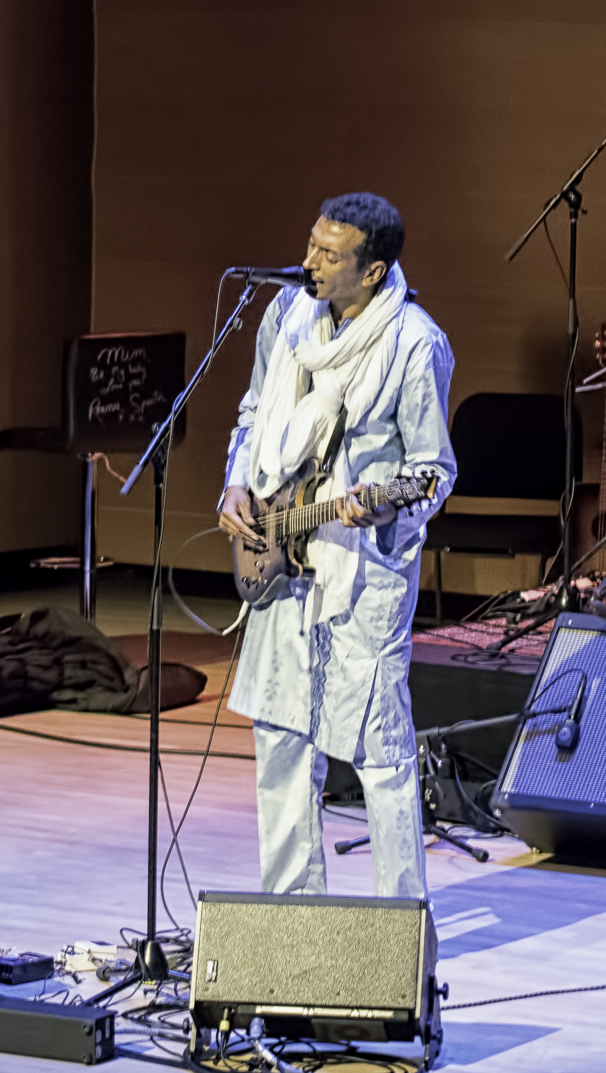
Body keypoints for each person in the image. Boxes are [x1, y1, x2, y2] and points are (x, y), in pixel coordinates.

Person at [217, 193, 457, 900]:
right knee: (281, 742)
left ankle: (399, 926)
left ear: (375, 270)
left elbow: (434, 472)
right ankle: (290, 918)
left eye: (330, 254)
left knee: (380, 751)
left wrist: (375, 503)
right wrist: (236, 483)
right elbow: (254, 410)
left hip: (363, 571)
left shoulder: (414, 342)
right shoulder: (284, 315)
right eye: (311, 244)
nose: (310, 261)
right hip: (279, 555)